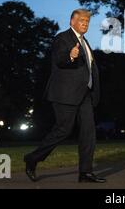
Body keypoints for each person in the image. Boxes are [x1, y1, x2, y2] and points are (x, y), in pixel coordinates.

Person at [23, 9, 105, 183]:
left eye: (87, 21)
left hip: (85, 95)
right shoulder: (63, 38)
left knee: (89, 133)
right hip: (65, 94)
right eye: (82, 20)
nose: (85, 23)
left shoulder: (84, 41)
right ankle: (32, 158)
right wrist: (70, 56)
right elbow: (60, 59)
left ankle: (85, 172)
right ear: (72, 22)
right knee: (63, 130)